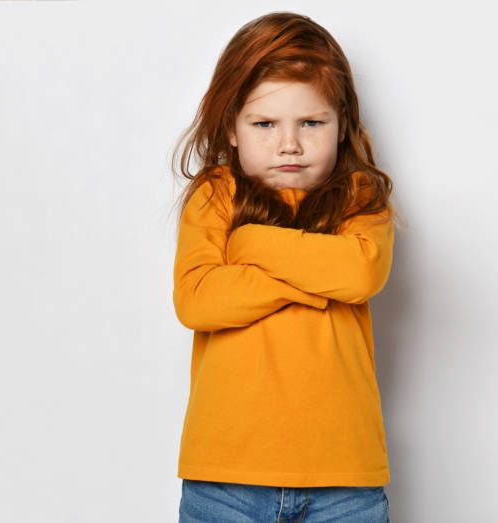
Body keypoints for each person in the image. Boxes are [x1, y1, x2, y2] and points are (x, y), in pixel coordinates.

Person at [170, 11, 402, 523]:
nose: (289, 143)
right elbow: (199, 298)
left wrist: (252, 242)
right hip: (224, 476)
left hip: (345, 480)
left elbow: (360, 274)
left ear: (342, 126)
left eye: (311, 123)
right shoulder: (216, 196)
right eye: (265, 124)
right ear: (231, 127)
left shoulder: (360, 197)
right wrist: (316, 279)